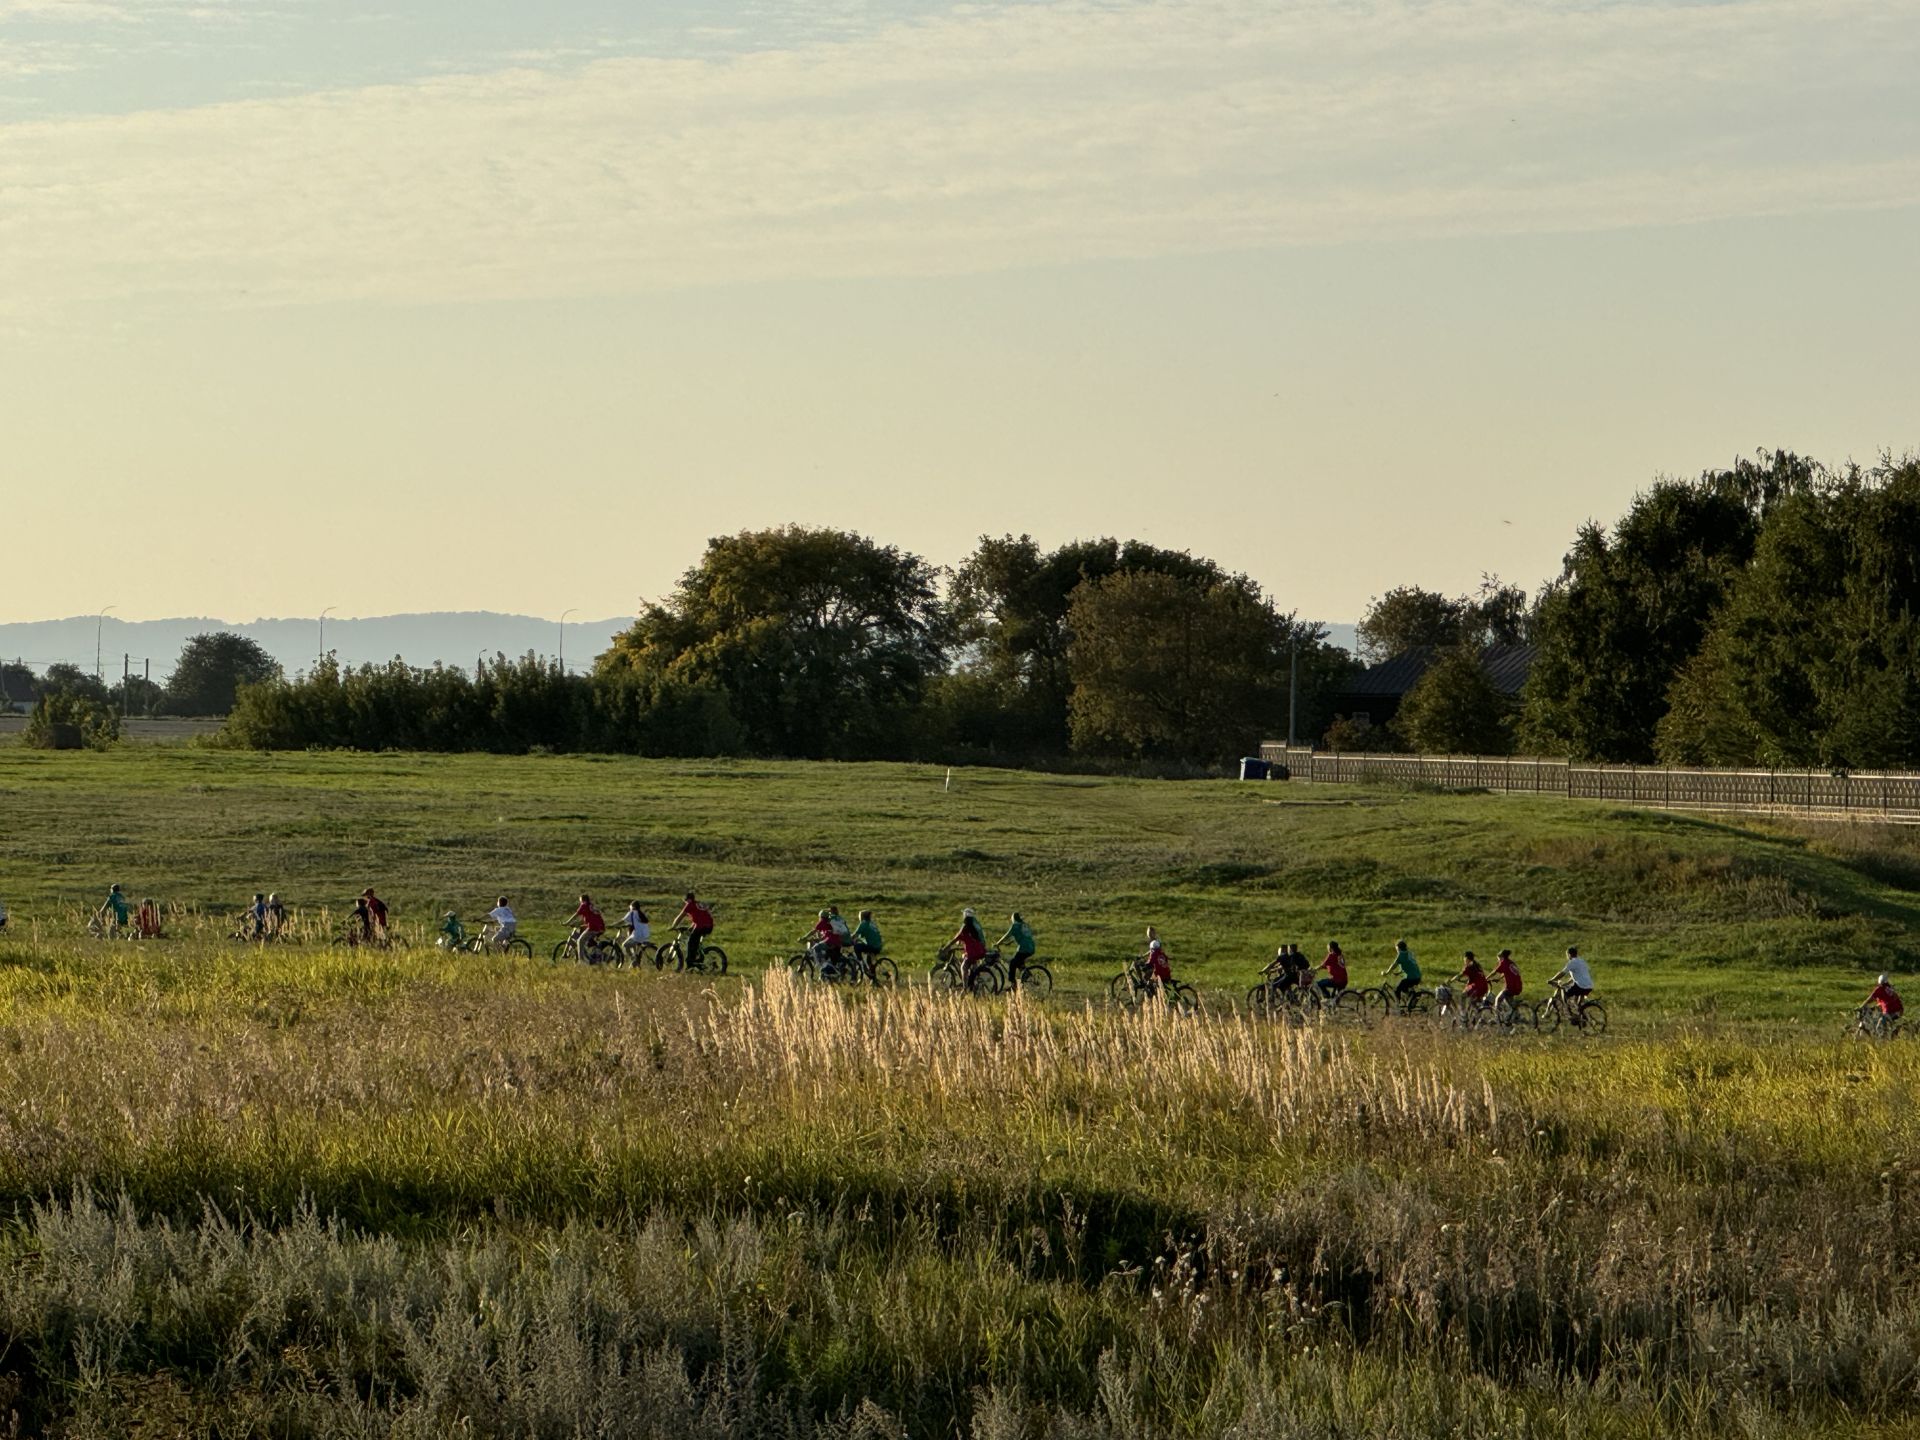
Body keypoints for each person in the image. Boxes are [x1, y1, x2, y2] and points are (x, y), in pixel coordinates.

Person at [674, 891, 715, 967]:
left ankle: (690, 962)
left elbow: (680, 917)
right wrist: (690, 928)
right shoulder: (697, 904)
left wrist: (673, 926)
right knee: (695, 942)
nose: (685, 902)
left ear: (689, 899)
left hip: (702, 926)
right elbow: (699, 918)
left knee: (691, 942)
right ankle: (696, 958)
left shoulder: (690, 905)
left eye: (685, 900)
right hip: (709, 926)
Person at [948, 908, 990, 980]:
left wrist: (947, 946)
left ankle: (965, 988)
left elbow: (959, 935)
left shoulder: (967, 923)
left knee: (963, 967)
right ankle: (974, 981)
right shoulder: (975, 923)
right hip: (980, 947)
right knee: (972, 964)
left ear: (965, 915)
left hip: (973, 950)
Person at [999, 912, 1037, 977]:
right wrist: (1010, 942)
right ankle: (1028, 977)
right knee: (1019, 963)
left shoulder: (1015, 925)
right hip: (1031, 947)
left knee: (1013, 963)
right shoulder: (1024, 924)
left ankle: (1012, 982)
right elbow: (1022, 936)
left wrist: (998, 943)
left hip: (1024, 948)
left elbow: (1007, 935)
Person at [1384, 939, 1422, 1003]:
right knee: (1404, 988)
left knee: (1397, 990)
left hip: (1411, 977)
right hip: (1417, 976)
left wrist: (1387, 972)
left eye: (1396, 949)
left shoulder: (1401, 955)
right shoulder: (1409, 953)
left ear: (1399, 948)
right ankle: (1412, 997)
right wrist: (1399, 972)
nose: (1396, 950)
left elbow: (1394, 965)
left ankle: (1398, 1006)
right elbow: (1408, 965)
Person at [1492, 949, 1523, 1015]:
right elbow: (1507, 972)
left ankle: (1497, 1017)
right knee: (1509, 1002)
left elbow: (1494, 972)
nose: (1498, 960)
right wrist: (1498, 979)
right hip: (1518, 986)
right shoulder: (1511, 963)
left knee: (1498, 999)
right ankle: (1517, 1016)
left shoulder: (1504, 963)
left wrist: (1485, 979)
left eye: (1499, 958)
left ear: (1502, 957)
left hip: (1510, 987)